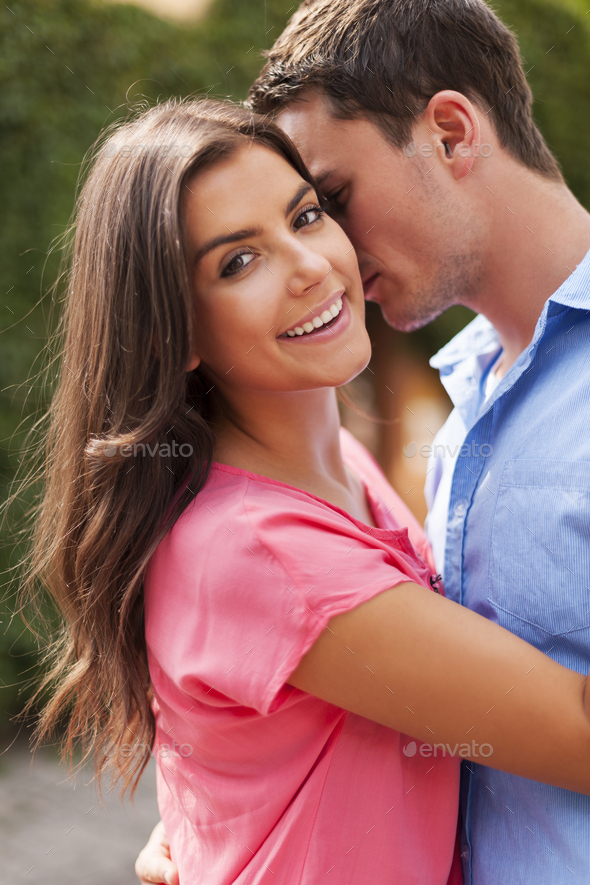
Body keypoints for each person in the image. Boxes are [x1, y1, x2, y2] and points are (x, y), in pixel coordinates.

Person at [136, 1, 590, 884]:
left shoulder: (349, 463)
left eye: (321, 205)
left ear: (452, 133)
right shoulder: (466, 407)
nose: (323, 255)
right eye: (239, 257)